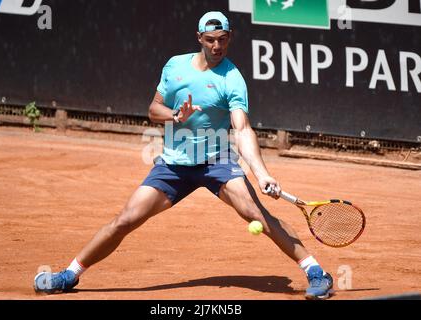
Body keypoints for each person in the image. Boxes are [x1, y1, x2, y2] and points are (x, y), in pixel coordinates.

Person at [34, 11, 333, 300]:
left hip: (217, 162)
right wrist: (176, 116)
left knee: (258, 216)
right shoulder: (175, 66)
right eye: (211, 39)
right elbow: (153, 110)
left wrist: (262, 173)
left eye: (223, 39)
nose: (217, 46)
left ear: (230, 38)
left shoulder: (232, 78)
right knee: (125, 220)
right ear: (199, 38)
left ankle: (317, 273)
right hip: (174, 165)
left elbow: (241, 129)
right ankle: (69, 275)